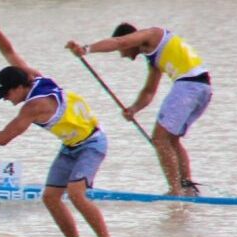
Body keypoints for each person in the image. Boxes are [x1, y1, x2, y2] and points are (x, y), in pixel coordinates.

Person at [0, 8, 110, 237]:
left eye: (6, 93)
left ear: (20, 87)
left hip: (93, 143)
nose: (4, 98)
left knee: (76, 194)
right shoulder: (33, 76)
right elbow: (9, 52)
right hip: (70, 146)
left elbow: (4, 138)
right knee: (51, 197)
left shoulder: (34, 106)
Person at [66, 23, 211, 196]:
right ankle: (186, 187)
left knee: (159, 140)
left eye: (123, 51)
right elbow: (149, 92)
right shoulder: (155, 57)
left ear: (130, 41)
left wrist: (86, 50)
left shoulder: (152, 35)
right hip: (204, 88)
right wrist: (134, 109)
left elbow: (119, 42)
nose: (123, 55)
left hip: (189, 86)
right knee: (171, 140)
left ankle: (175, 191)